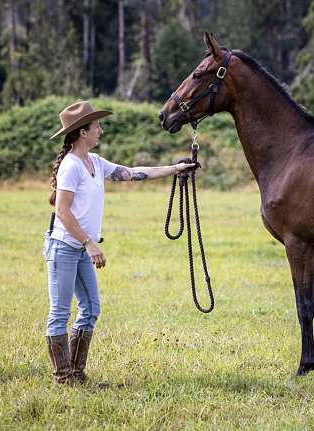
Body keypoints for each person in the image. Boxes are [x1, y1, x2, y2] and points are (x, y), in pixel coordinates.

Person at [44, 100, 194, 385]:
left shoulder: (96, 163)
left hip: (79, 248)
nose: (101, 129)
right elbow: (62, 211)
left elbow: (134, 173)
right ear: (82, 133)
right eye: (96, 125)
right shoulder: (71, 166)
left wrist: (176, 168)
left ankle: (76, 374)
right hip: (65, 247)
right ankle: (63, 379)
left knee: (90, 308)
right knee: (60, 312)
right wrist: (90, 243)